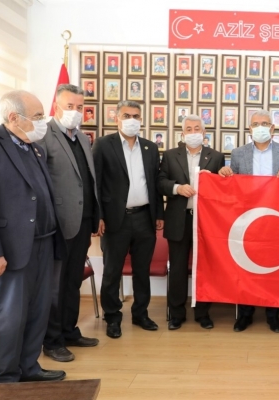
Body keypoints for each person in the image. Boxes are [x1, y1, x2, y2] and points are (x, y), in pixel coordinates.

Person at [0, 90, 66, 382]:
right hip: (8, 249)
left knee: (38, 311)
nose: (43, 121)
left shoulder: (35, 148)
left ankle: (30, 368)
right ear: (13, 117)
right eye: (37, 116)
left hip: (44, 242)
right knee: (12, 314)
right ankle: (8, 377)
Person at [218, 110, 279, 333]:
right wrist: (224, 173)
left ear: (272, 128)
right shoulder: (238, 153)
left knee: (273, 267)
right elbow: (231, 186)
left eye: (264, 123)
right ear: (249, 128)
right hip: (247, 219)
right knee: (245, 268)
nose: (260, 127)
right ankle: (245, 314)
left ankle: (273, 314)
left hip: (275, 218)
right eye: (255, 124)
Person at [39, 84, 101, 363]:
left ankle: (69, 331)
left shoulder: (83, 139)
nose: (75, 112)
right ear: (56, 107)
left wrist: (96, 215)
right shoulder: (44, 135)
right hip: (58, 224)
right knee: (56, 284)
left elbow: (88, 180)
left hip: (83, 221)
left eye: (80, 107)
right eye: (70, 106)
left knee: (73, 281)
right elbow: (40, 181)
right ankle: (52, 341)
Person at [92, 100, 164, 339]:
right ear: (117, 119)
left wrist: (159, 214)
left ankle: (141, 314)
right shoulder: (103, 144)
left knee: (142, 270)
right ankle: (112, 317)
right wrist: (98, 216)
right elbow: (95, 183)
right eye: (126, 115)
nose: (132, 120)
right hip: (116, 219)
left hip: (144, 217)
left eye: (136, 116)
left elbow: (155, 184)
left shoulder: (150, 147)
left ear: (141, 119)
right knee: (112, 271)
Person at [157, 115, 225, 330]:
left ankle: (203, 313)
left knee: (204, 269)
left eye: (197, 129)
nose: (193, 132)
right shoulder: (170, 155)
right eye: (189, 129)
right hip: (178, 220)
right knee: (177, 269)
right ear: (182, 133)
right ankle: (176, 314)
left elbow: (223, 189)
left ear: (204, 133)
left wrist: (219, 178)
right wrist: (177, 188)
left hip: (206, 222)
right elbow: (160, 182)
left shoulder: (216, 156)